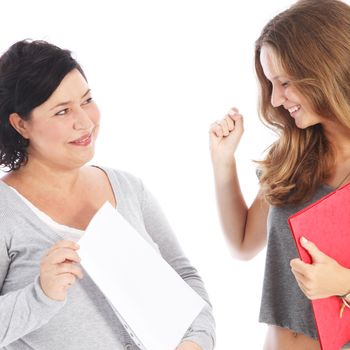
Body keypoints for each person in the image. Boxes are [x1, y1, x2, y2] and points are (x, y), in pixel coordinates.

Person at [0, 39, 215, 350]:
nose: (85, 121)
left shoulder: (129, 189)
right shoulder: (6, 211)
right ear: (21, 124)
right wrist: (41, 295)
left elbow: (185, 278)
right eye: (62, 111)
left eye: (86, 100)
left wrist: (195, 342)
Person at [209, 0, 350, 349]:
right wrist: (223, 162)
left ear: (325, 69)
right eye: (271, 83)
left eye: (284, 82)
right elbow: (243, 244)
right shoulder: (292, 156)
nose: (274, 99)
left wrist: (344, 285)